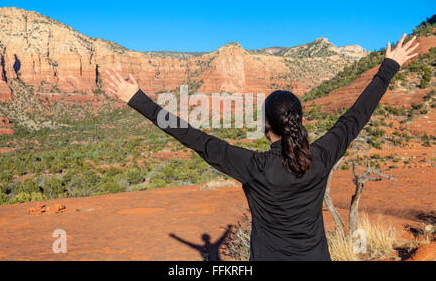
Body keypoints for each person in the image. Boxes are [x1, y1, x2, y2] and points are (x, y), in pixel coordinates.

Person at [105, 34, 419, 261]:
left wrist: (137, 99)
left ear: (264, 125)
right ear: (300, 121)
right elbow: (355, 117)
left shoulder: (254, 167)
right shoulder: (321, 156)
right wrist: (389, 66)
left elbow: (193, 138)